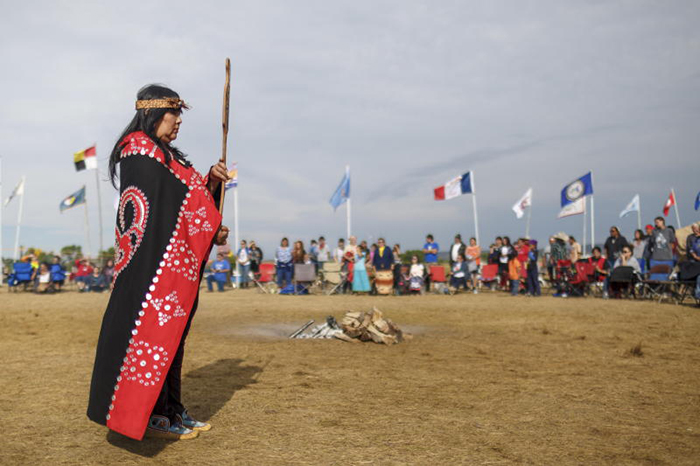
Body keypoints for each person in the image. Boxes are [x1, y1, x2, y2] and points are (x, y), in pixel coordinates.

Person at [88, 84, 230, 441]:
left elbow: (187, 196)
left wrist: (211, 181)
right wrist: (208, 223)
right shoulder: (138, 151)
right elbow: (168, 206)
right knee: (154, 339)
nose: (179, 121)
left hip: (174, 269)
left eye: (181, 113)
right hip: (150, 271)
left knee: (174, 339)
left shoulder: (169, 156)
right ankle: (152, 415)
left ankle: (171, 408)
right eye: (174, 113)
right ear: (153, 112)